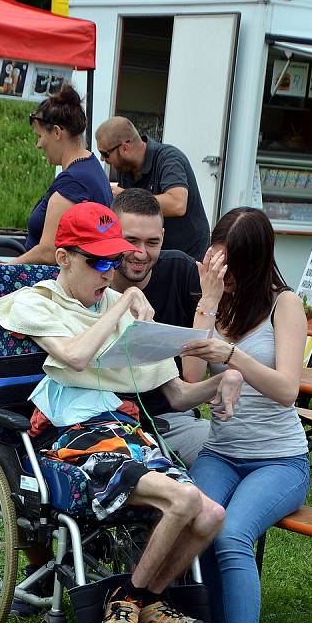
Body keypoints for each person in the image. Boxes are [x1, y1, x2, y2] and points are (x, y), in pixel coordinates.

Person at [0, 201, 243, 623]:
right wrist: (121, 302)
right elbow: (74, 356)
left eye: (113, 259)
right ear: (64, 258)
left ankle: (134, 600)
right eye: (99, 261)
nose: (109, 272)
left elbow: (178, 394)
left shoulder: (122, 304)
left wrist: (223, 382)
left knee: (211, 515)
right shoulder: (34, 301)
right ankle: (132, 600)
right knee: (183, 502)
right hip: (71, 435)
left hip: (123, 429)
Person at [180, 206, 310, 623]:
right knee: (199, 518)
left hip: (279, 462)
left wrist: (232, 356)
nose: (224, 277)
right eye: (218, 266)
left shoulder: (285, 305)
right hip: (222, 452)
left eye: (231, 270)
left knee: (233, 533)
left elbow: (286, 390)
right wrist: (207, 304)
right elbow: (190, 383)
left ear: (256, 265)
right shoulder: (218, 301)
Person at [111, 188, 209, 467]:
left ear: (163, 238)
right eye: (131, 241)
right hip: (108, 420)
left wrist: (209, 302)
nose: (141, 253)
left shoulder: (182, 271)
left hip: (172, 418)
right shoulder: (93, 279)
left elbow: (192, 378)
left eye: (152, 242)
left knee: (226, 451)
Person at [11, 84, 112, 265]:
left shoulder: (73, 182)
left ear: (57, 132)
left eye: (40, 136)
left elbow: (49, 252)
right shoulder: (91, 167)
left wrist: (5, 269)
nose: (38, 144)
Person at [95, 116, 209, 259]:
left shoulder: (169, 158)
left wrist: (126, 196)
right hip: (152, 251)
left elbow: (177, 204)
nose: (102, 159)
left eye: (105, 154)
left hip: (187, 253)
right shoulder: (125, 168)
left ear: (125, 148)